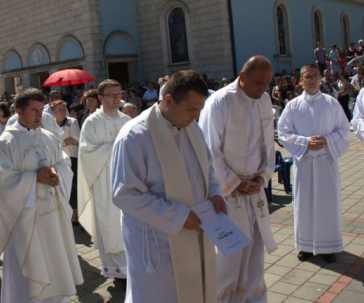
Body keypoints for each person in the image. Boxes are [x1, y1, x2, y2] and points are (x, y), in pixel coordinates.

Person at [111, 70, 225, 303]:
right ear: (169, 100)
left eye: (199, 110)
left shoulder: (192, 127)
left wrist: (215, 194)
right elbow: (124, 195)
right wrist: (179, 216)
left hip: (197, 234)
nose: (196, 116)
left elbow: (207, 169)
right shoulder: (134, 136)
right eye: (191, 109)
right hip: (158, 242)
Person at [0, 89, 83, 303]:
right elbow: (1, 181)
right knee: (29, 265)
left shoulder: (49, 137)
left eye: (41, 110)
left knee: (53, 256)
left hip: (51, 213)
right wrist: (34, 178)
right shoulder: (6, 143)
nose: (39, 115)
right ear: (20, 111)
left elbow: (64, 163)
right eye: (34, 110)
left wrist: (56, 172)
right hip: (24, 219)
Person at [199, 56, 277, 302]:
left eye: (266, 83)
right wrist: (236, 182)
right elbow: (209, 148)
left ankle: (250, 296)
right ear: (242, 77)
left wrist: (263, 176)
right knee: (228, 253)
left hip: (254, 188)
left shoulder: (263, 100)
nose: (263, 88)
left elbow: (267, 142)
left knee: (254, 247)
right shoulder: (221, 101)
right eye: (258, 83)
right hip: (229, 190)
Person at [278, 64, 349, 264]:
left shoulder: (331, 103)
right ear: (300, 80)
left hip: (326, 162)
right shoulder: (293, 106)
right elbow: (283, 132)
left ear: (321, 79)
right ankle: (305, 246)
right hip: (306, 163)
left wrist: (326, 140)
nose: (311, 79)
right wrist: (305, 142)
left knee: (327, 204)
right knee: (304, 204)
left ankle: (329, 247)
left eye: (315, 76)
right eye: (307, 76)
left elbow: (344, 129)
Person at [77, 80, 131, 279]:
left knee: (127, 224)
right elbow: (86, 153)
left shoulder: (126, 120)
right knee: (110, 224)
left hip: (126, 181)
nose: (117, 98)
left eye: (119, 94)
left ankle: (130, 269)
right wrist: (115, 146)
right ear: (100, 98)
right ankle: (117, 273)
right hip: (104, 182)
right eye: (112, 95)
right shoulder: (92, 122)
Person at [51, 100, 81, 223]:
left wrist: (59, 143)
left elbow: (76, 139)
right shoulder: (51, 124)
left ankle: (74, 217)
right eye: (59, 109)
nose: (63, 111)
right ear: (53, 112)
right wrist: (65, 141)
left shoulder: (71, 122)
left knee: (73, 186)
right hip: (57, 160)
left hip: (71, 158)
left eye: (64, 109)